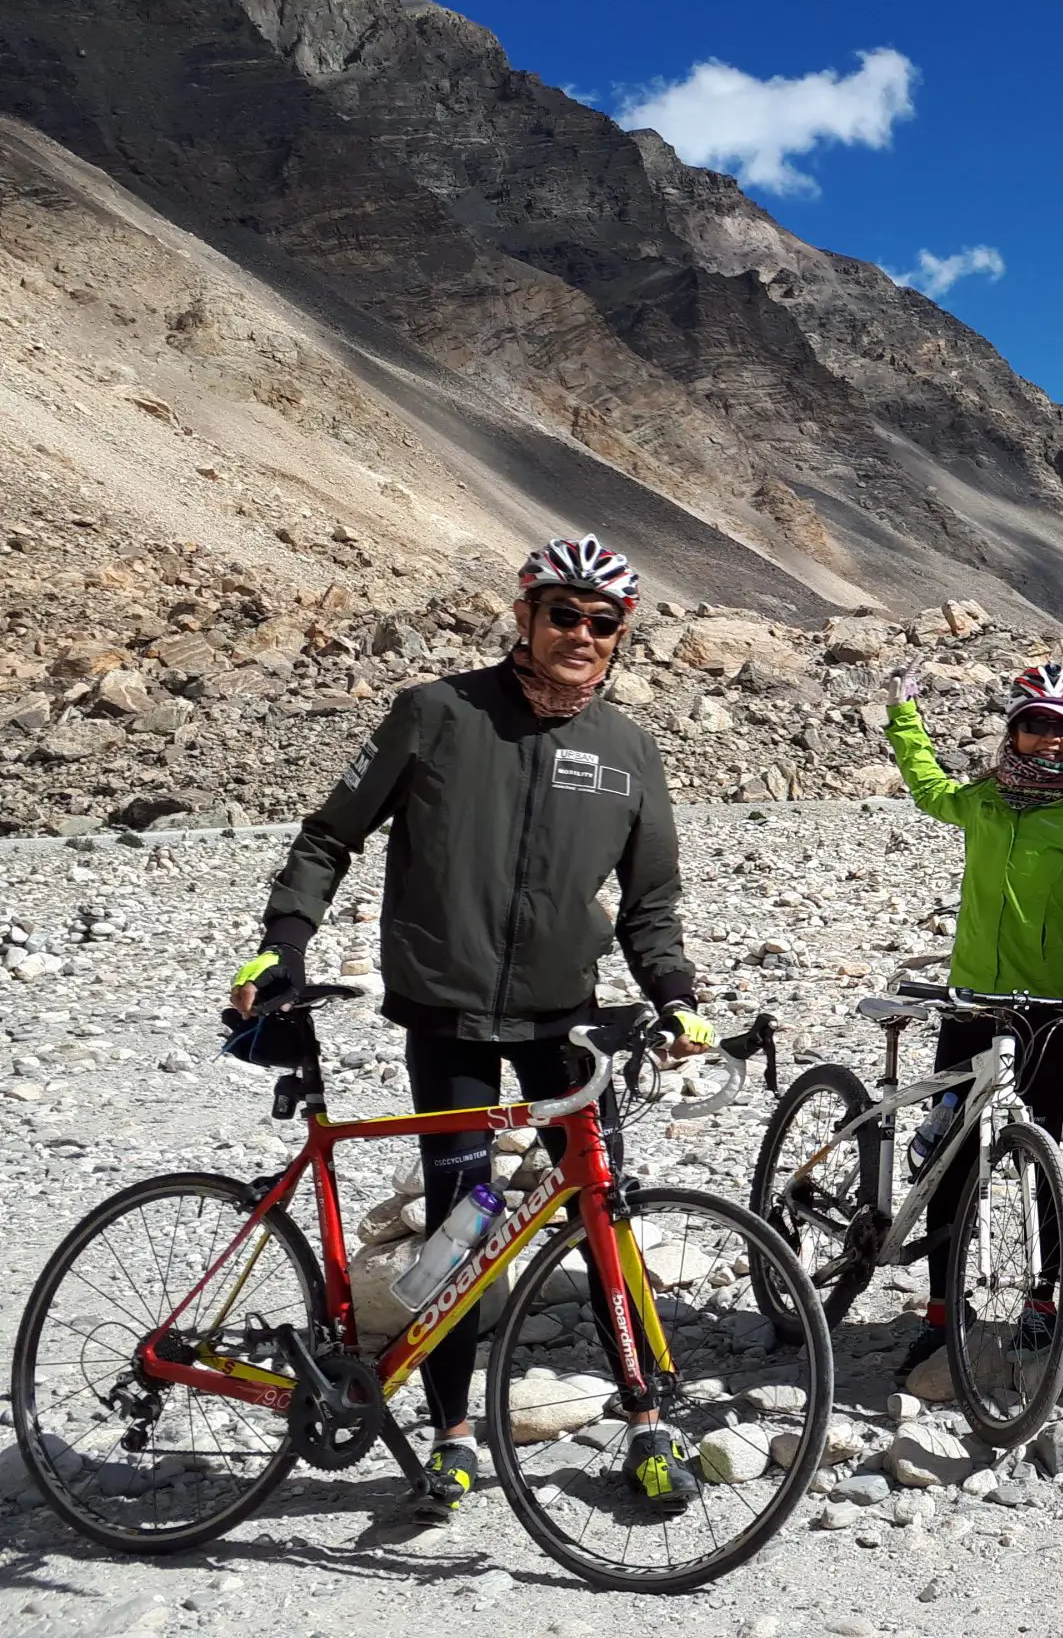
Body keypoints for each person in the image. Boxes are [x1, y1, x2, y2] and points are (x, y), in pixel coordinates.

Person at [228, 534, 716, 1522]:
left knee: (601, 1213)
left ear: (620, 639)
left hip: (563, 1024)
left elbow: (648, 907)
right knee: (458, 1229)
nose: (581, 635)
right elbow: (332, 833)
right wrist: (283, 944)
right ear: (525, 619)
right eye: (563, 616)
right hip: (445, 1016)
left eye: (602, 623)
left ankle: (646, 1419)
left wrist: (675, 994)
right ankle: (451, 1433)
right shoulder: (437, 714)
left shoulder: (626, 752)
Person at [882, 658, 1063, 1371]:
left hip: (1045, 1013)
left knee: (1042, 1157)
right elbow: (929, 788)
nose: (1050, 742)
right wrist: (903, 718)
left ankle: (1042, 1302)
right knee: (951, 1160)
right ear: (1014, 731)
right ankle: (942, 1310)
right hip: (971, 1003)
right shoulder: (984, 801)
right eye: (1035, 727)